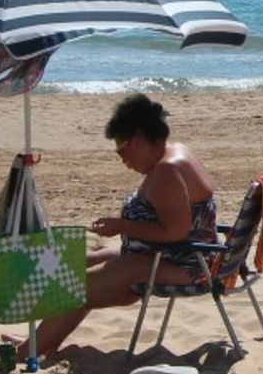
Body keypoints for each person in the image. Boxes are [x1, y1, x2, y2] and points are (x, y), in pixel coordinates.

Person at [32, 93, 217, 358]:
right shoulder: (176, 152)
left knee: (77, 286)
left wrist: (123, 226)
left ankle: (26, 350)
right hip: (177, 258)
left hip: (186, 266)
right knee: (83, 262)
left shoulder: (166, 172)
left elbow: (176, 231)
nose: (123, 161)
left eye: (122, 151)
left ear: (138, 143)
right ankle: (40, 341)